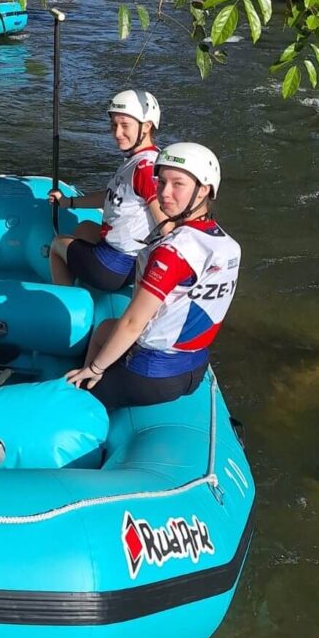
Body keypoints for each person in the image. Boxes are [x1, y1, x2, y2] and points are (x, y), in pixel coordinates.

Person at [66, 143, 240, 411]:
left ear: (203, 189)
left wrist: (96, 368)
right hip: (195, 366)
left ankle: (88, 392)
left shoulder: (174, 251)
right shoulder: (227, 245)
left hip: (152, 374)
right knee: (104, 331)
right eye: (162, 183)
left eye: (177, 184)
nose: (164, 194)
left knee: (75, 400)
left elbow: (134, 322)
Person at [47, 89, 165, 290]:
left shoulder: (144, 169)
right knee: (85, 228)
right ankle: (83, 277)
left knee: (58, 244)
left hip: (116, 268)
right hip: (128, 260)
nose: (117, 133)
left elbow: (165, 223)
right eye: (114, 125)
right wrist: (69, 202)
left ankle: (66, 302)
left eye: (125, 125)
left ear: (146, 126)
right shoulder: (143, 159)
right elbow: (112, 196)